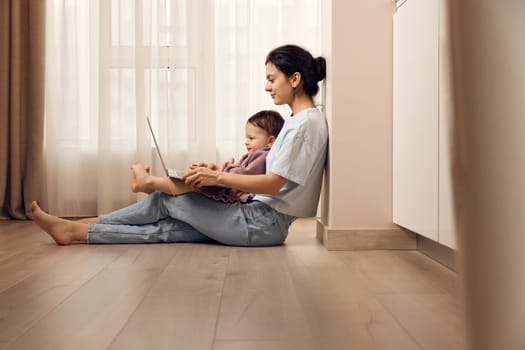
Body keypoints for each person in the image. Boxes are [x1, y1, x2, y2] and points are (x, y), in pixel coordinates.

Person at [31, 44, 328, 246]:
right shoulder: (297, 121)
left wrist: (219, 177)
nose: (267, 86)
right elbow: (262, 171)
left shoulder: (305, 124)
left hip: (262, 223)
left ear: (295, 79)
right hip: (260, 220)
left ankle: (80, 225)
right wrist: (220, 173)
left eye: (271, 78)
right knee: (168, 229)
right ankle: (75, 230)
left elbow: (274, 184)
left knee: (167, 200)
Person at [130, 109, 284, 203]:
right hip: (230, 189)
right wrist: (218, 168)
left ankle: (150, 183)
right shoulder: (256, 154)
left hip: (234, 195)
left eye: (251, 138)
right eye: (246, 137)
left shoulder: (263, 155)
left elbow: (244, 175)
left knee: (191, 185)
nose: (246, 142)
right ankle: (150, 186)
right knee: (190, 182)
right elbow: (240, 173)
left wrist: (224, 169)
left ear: (270, 141)